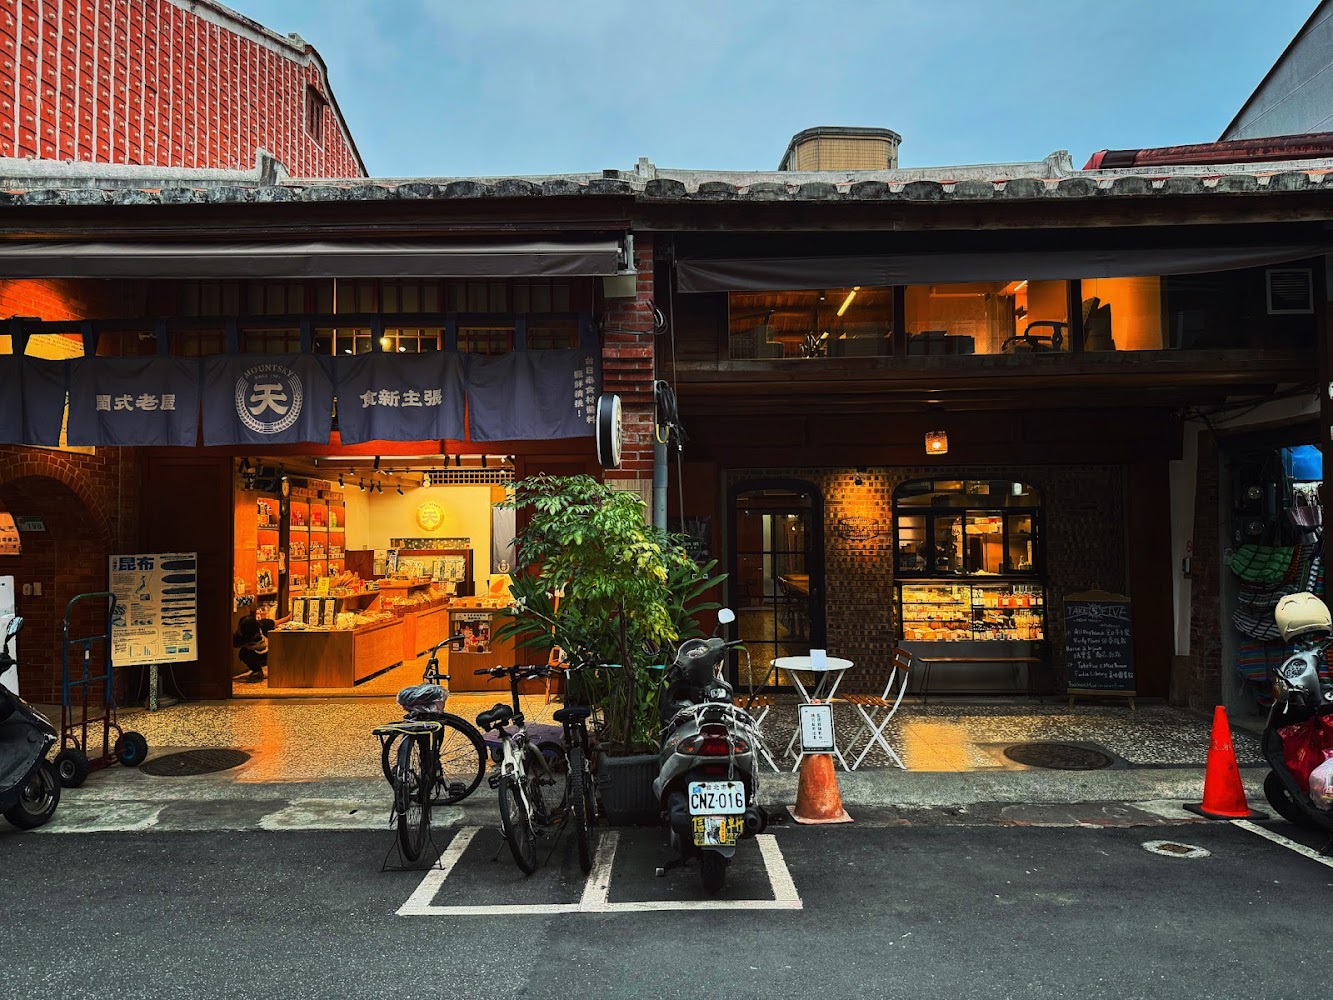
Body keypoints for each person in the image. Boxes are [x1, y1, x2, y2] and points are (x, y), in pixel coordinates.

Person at [232, 611, 287, 683]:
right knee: (243, 653)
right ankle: (257, 671)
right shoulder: (239, 636)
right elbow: (234, 644)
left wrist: (291, 615)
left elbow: (278, 622)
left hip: (271, 653)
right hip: (254, 655)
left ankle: (279, 670)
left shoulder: (264, 624)